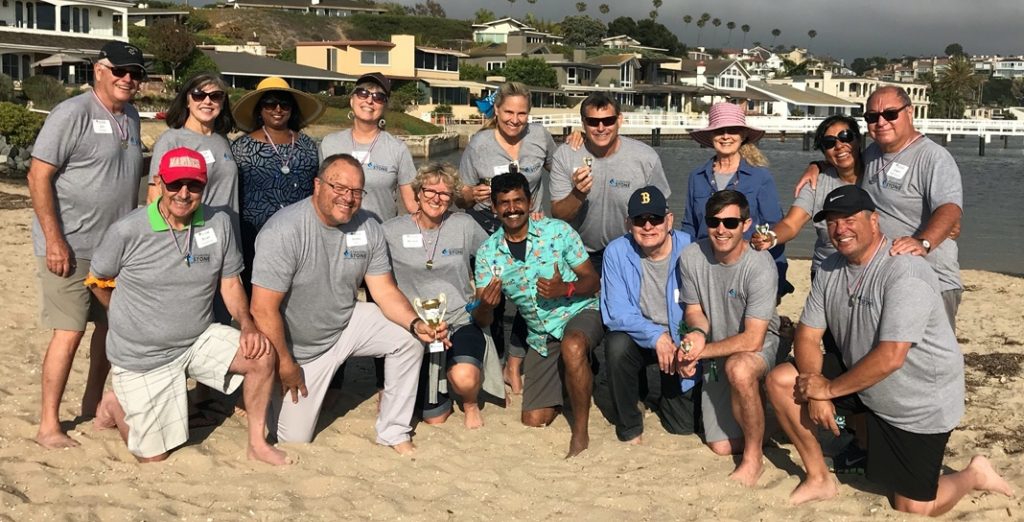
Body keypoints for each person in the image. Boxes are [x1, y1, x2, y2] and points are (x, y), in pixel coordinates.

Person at [765, 185, 1014, 513]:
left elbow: (892, 356)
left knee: (915, 507)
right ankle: (819, 478)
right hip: (864, 377)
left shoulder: (904, 270)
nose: (840, 228)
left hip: (917, 399)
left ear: (874, 221)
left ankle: (974, 474)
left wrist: (828, 390)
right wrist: (814, 387)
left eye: (850, 219)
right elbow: (808, 336)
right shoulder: (829, 268)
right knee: (781, 380)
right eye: (833, 221)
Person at [88, 148, 286, 465]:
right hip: (144, 355)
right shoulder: (128, 230)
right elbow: (98, 279)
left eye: (193, 185)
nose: (183, 193)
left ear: (203, 187)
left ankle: (257, 444)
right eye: (174, 184)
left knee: (261, 353)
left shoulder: (218, 223)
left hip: (196, 339)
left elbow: (231, 283)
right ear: (159, 182)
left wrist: (248, 324)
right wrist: (122, 314)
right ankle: (114, 405)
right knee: (154, 458)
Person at [249, 154, 444, 454]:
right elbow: (262, 309)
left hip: (345, 321)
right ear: (317, 185)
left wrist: (416, 323)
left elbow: (385, 291)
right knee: (294, 439)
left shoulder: (368, 227)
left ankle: (394, 430)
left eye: (356, 191)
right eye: (339, 187)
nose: (348, 198)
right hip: (298, 348)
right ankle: (259, 392)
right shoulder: (284, 230)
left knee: (408, 338)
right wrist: (286, 365)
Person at [26, 41, 146, 449]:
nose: (128, 79)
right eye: (120, 71)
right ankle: (48, 425)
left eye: (136, 73)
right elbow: (38, 176)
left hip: (114, 252)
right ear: (99, 70)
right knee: (70, 331)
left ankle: (94, 403)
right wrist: (55, 240)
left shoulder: (131, 116)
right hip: (69, 246)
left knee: (109, 330)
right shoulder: (71, 113)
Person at [795, 86, 963, 329]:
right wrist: (817, 165)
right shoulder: (873, 154)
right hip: (885, 276)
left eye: (890, 114)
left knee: (926, 358)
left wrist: (923, 242)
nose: (881, 122)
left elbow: (949, 207)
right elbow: (843, 159)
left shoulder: (933, 157)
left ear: (910, 112)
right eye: (872, 117)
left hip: (930, 277)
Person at [472, 172, 604, 458]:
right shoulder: (487, 254)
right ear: (494, 208)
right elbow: (482, 320)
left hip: (578, 311)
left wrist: (564, 288)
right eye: (504, 203)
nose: (512, 208)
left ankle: (580, 432)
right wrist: (486, 306)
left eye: (518, 200)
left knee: (573, 345)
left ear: (530, 202)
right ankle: (572, 379)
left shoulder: (557, 232)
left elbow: (593, 282)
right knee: (534, 420)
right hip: (540, 334)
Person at [457, 81, 558, 394]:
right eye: (509, 112)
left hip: (531, 230)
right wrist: (470, 194)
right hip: (488, 230)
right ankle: (497, 361)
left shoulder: (540, 136)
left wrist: (578, 144)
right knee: (494, 300)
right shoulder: (479, 144)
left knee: (533, 296)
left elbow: (560, 168)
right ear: (497, 111)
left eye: (522, 113)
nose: (515, 119)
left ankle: (516, 359)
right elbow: (459, 195)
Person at [677, 190, 782, 487]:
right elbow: (695, 311)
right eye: (714, 221)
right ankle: (770, 417)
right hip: (719, 346)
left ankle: (753, 458)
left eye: (731, 222)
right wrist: (695, 337)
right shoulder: (691, 256)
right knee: (721, 447)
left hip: (760, 343)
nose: (721, 229)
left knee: (739, 368)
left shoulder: (760, 264)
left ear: (746, 225)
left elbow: (753, 340)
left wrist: (701, 353)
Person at [382, 163, 498, 429]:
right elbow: (374, 274)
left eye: (445, 193)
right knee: (434, 418)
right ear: (418, 193)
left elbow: (493, 251)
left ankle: (469, 404)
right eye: (430, 191)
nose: (437, 198)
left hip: (459, 319)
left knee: (465, 377)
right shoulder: (391, 231)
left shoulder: (464, 224)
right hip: (414, 327)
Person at [601, 186, 698, 444]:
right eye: (639, 220)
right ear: (628, 223)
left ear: (669, 220)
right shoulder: (616, 251)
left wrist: (684, 344)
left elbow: (701, 310)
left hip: (681, 340)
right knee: (616, 344)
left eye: (655, 218)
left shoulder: (691, 248)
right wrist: (656, 336)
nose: (647, 226)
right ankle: (630, 427)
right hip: (640, 336)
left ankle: (650, 390)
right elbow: (617, 313)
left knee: (683, 426)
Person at [147, 73, 239, 326]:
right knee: (190, 319)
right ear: (187, 100)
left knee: (221, 318)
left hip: (226, 240)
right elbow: (155, 194)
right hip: (190, 241)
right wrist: (161, 244)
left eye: (216, 96)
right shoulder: (172, 139)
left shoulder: (222, 141)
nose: (207, 101)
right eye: (199, 95)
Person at [549, 93, 670, 273]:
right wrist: (578, 193)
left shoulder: (646, 157)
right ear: (583, 123)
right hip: (580, 255)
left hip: (631, 251)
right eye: (592, 121)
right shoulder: (565, 155)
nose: (600, 127)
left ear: (619, 120)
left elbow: (661, 213)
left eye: (608, 121)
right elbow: (559, 214)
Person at [684, 102, 792, 299]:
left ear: (743, 136)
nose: (726, 136)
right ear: (711, 136)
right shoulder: (696, 177)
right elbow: (689, 225)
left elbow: (774, 224)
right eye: (719, 131)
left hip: (750, 267)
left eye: (732, 130)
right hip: (707, 265)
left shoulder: (760, 177)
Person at [231, 76, 325, 294]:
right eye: (270, 103)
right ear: (259, 109)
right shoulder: (242, 148)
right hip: (254, 235)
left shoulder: (308, 146)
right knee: (258, 293)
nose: (278, 109)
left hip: (300, 233)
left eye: (284, 104)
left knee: (298, 291)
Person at [750, 115, 862, 277]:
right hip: (826, 270)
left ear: (858, 140)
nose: (839, 145)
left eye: (846, 137)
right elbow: (791, 223)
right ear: (825, 152)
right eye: (829, 143)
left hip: (869, 268)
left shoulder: (876, 173)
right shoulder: (816, 182)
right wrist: (770, 237)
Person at [320, 72, 417, 222]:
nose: (370, 100)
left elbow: (412, 205)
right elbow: (318, 195)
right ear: (352, 101)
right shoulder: (329, 144)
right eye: (363, 93)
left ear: (384, 106)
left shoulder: (398, 149)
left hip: (381, 237)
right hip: (337, 237)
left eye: (378, 97)